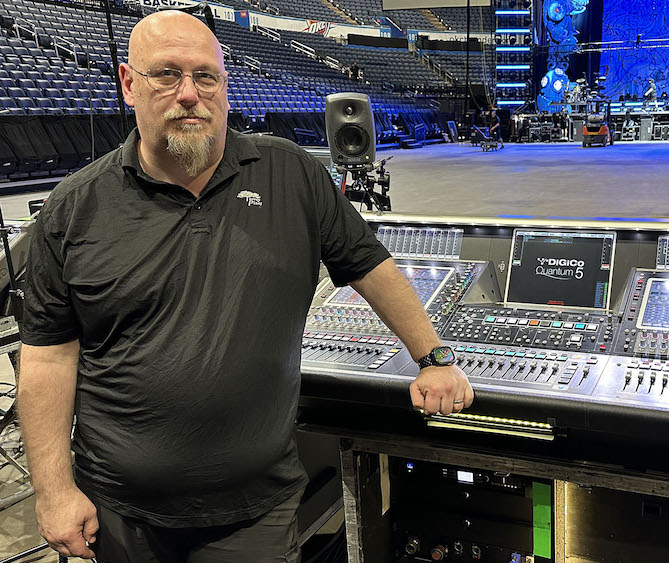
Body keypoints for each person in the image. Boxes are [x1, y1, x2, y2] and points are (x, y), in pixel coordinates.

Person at [17, 10, 474, 562]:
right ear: (128, 82)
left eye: (205, 76)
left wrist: (434, 356)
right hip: (119, 510)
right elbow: (47, 358)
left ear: (225, 86)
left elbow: (369, 266)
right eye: (167, 74)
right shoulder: (75, 206)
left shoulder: (291, 174)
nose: (190, 93)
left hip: (253, 511)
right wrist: (53, 490)